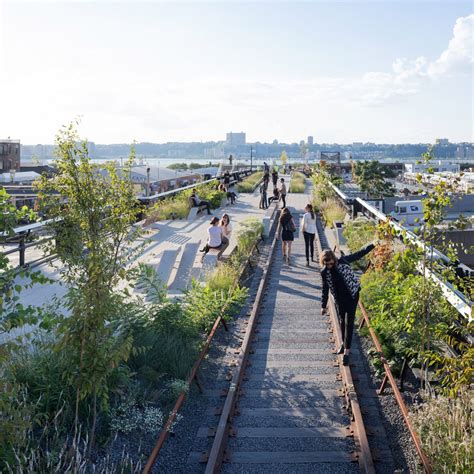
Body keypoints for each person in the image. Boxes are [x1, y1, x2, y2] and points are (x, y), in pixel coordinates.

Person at [320, 244, 375, 366]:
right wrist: (323, 305)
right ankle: (343, 344)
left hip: (352, 296)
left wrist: (372, 245)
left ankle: (346, 352)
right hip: (339, 299)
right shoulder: (325, 272)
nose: (329, 266)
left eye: (331, 263)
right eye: (326, 264)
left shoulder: (343, 261)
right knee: (341, 322)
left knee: (349, 323)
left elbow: (358, 254)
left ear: (334, 259)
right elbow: (325, 289)